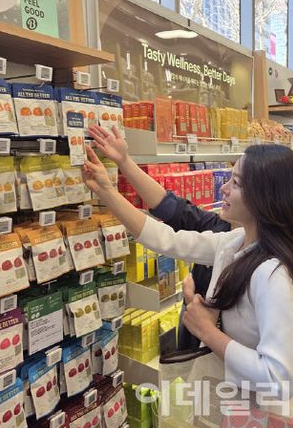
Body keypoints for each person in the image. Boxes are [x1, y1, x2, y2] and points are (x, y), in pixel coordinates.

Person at [82, 125, 293, 398]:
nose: (223, 188)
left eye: (236, 183)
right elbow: (166, 239)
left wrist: (206, 330)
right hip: (219, 398)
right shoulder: (233, 243)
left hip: (251, 412)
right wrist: (108, 191)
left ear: (265, 197)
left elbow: (281, 381)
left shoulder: (272, 275)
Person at [87, 125, 231, 350]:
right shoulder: (225, 231)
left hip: (217, 364)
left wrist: (206, 325)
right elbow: (169, 210)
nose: (224, 188)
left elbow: (270, 364)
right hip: (195, 353)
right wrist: (123, 163)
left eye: (237, 182)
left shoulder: (264, 265)